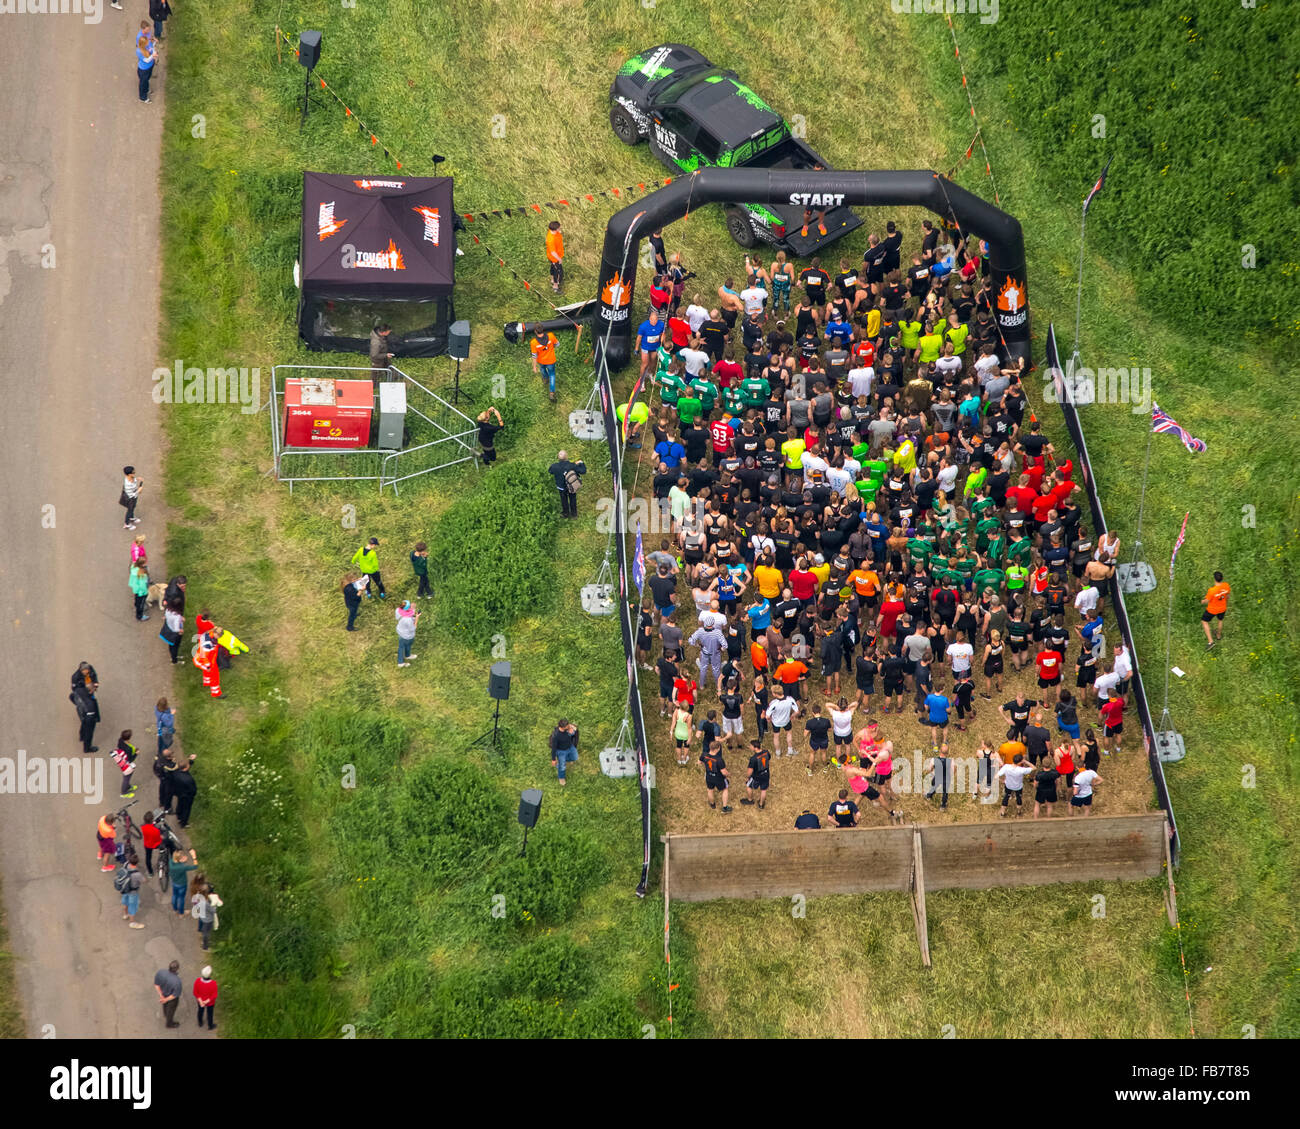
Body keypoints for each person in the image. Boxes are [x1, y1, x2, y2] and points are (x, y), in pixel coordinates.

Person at [70, 663, 100, 753]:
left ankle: (82, 736)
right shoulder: (76, 679)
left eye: (87, 670)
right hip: (87, 712)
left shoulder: (91, 670)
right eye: (84, 670)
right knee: (89, 730)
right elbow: (75, 693)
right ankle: (87, 747)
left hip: (86, 706)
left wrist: (95, 684)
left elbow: (94, 676)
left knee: (84, 723)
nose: (86, 671)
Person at [548, 449, 586, 519]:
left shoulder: (554, 466)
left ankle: (565, 513)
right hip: (571, 486)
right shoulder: (572, 466)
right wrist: (581, 463)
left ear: (558, 458)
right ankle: (574, 514)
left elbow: (550, 471)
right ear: (567, 457)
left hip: (561, 487)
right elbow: (583, 471)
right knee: (572, 499)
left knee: (564, 500)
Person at [529, 324, 560, 402]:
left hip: (541, 361)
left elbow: (534, 356)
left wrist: (534, 367)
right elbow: (557, 344)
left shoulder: (533, 342)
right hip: (551, 360)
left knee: (542, 369)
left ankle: (545, 379)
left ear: (535, 332)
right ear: (543, 329)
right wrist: (550, 347)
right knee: (552, 375)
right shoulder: (551, 336)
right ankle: (552, 393)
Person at [1201, 570, 1230, 647]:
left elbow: (1207, 601)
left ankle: (1210, 642)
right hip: (1223, 608)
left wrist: (1202, 601)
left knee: (1204, 621)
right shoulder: (1226, 586)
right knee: (1220, 620)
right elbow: (1227, 596)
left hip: (1212, 610)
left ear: (1214, 579)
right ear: (1222, 578)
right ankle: (1218, 635)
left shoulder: (1212, 590)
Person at [699, 742, 731, 812]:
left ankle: (712, 804)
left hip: (708, 776)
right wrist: (728, 775)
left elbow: (699, 762)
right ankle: (725, 808)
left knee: (710, 790)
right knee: (725, 789)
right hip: (718, 778)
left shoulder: (704, 755)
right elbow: (724, 772)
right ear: (717, 749)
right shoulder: (719, 759)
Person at [191, 881, 221, 950]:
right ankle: (205, 946)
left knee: (201, 926)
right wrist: (215, 905)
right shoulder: (206, 903)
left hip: (201, 916)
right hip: (208, 920)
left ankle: (201, 931)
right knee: (206, 933)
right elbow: (213, 911)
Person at [168, 848, 198, 916]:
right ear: (180, 860)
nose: (186, 857)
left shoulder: (170, 861)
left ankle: (175, 909)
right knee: (181, 898)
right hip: (182, 884)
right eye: (184, 857)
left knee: (174, 895)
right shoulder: (182, 867)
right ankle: (181, 913)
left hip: (174, 882)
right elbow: (195, 866)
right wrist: (194, 856)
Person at [549, 719, 580, 785]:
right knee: (562, 766)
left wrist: (573, 730)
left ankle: (562, 761)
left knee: (575, 757)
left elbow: (573, 732)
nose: (569, 726)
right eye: (567, 726)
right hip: (561, 751)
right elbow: (554, 748)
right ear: (562, 727)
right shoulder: (556, 736)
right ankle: (561, 778)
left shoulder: (568, 729)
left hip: (570, 747)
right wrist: (553, 759)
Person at [742, 739, 771, 808]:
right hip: (766, 774)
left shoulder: (753, 759)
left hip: (756, 776)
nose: (749, 747)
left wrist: (747, 777)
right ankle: (761, 804)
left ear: (755, 747)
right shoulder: (766, 752)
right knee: (763, 790)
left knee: (749, 786)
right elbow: (768, 759)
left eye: (750, 746)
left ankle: (750, 800)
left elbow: (750, 771)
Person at [171, 756, 198, 827]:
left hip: (178, 793)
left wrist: (190, 760)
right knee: (186, 809)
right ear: (186, 768)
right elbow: (193, 789)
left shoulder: (175, 772)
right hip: (186, 796)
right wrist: (193, 795)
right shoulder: (188, 779)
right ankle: (183, 823)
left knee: (180, 804)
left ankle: (179, 815)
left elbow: (184, 765)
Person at [155, 961, 182, 1029]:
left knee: (165, 1005)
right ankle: (169, 1024)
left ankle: (165, 1014)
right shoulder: (177, 981)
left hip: (163, 994)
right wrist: (165, 999)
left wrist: (161, 996)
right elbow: (174, 995)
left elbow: (156, 985)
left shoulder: (161, 972)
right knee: (171, 1010)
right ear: (177, 969)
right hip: (171, 998)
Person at [120, 853, 145, 928]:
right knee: (132, 907)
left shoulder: (125, 865)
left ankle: (125, 914)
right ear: (137, 863)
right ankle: (132, 923)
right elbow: (143, 880)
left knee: (125, 902)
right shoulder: (137, 874)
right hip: (133, 892)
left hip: (125, 889)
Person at [112, 730, 138, 798]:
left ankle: (128, 787)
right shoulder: (128, 749)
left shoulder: (120, 740)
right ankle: (124, 793)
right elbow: (130, 759)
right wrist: (136, 753)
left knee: (127, 778)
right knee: (126, 778)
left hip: (122, 759)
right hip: (126, 764)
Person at [395, 601, 421, 667]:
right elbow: (413, 628)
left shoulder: (398, 610)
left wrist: (412, 610)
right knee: (407, 645)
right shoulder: (408, 620)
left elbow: (398, 617)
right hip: (407, 635)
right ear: (408, 608)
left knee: (401, 646)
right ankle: (401, 662)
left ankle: (406, 656)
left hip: (400, 631)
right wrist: (417, 618)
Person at [194, 966, 218, 1031]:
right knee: (210, 1013)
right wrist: (206, 1001)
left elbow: (195, 992)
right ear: (210, 975)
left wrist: (201, 1001)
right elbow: (214, 995)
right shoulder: (213, 983)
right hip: (210, 1003)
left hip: (200, 1001)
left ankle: (200, 1022)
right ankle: (210, 1025)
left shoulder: (197, 981)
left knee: (200, 1011)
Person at [135, 32, 157, 103]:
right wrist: (153, 56)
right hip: (143, 70)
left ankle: (146, 90)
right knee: (143, 83)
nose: (149, 43)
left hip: (149, 67)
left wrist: (154, 43)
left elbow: (151, 48)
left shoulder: (147, 45)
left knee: (147, 79)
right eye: (147, 42)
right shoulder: (139, 51)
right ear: (143, 44)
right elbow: (146, 60)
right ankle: (142, 97)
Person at [140, 810, 163, 877]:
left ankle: (150, 872)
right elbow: (158, 839)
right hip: (155, 844)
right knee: (166, 843)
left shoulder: (143, 827)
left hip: (147, 844)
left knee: (148, 858)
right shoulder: (156, 830)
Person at [545, 220, 565, 292]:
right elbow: (553, 252)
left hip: (554, 256)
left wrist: (558, 232)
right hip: (555, 258)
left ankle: (552, 280)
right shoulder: (551, 240)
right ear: (555, 229)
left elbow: (558, 234)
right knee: (559, 272)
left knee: (553, 268)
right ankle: (555, 287)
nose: (560, 229)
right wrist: (559, 259)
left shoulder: (553, 232)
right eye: (559, 228)